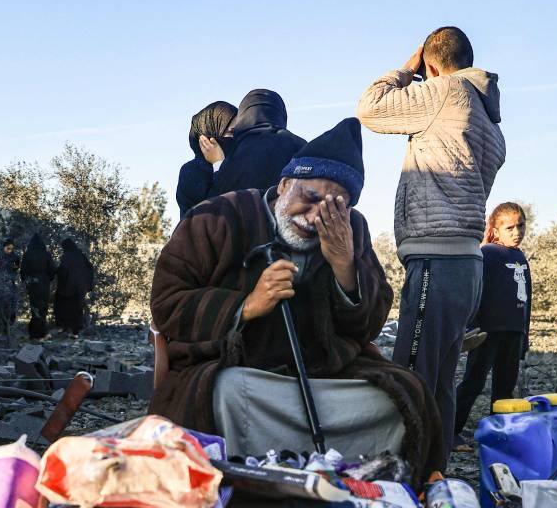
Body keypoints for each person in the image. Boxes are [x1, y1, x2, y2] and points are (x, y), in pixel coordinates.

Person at [148, 118, 443, 484]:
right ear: (286, 184)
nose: (316, 216)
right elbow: (167, 301)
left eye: (336, 207)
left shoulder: (353, 232)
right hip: (244, 377)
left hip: (324, 375)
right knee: (225, 396)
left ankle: (353, 481)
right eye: (311, 198)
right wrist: (247, 305)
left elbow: (368, 324)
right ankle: (249, 485)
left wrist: (344, 267)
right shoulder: (218, 216)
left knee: (404, 399)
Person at [356, 26, 506, 462]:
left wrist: (406, 70)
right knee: (438, 379)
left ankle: (406, 475)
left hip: (437, 261)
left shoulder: (445, 92)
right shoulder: (490, 121)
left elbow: (370, 109)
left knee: (409, 375)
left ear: (433, 64)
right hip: (468, 262)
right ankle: (434, 472)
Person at [453, 202, 531, 449]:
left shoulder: (520, 257)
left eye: (520, 226)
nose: (516, 232)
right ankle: (450, 432)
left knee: (505, 387)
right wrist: (471, 326)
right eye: (509, 227)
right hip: (488, 331)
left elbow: (526, 298)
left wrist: (524, 335)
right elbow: (474, 290)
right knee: (473, 382)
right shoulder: (488, 253)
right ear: (496, 230)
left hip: (513, 331)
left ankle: (500, 435)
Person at [209, 89, 306, 196]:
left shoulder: (233, 152)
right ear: (280, 114)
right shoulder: (301, 146)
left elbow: (216, 197)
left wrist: (217, 164)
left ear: (243, 116)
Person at [177, 101, 237, 217]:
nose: (236, 139)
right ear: (208, 138)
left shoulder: (239, 165)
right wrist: (218, 164)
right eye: (231, 132)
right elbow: (213, 215)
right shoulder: (192, 171)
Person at [54, 238, 95, 337]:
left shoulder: (67, 256)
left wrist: (59, 280)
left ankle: (65, 327)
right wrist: (88, 284)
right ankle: (76, 329)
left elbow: (63, 270)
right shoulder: (81, 255)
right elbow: (90, 268)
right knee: (77, 307)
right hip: (81, 287)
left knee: (63, 306)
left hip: (69, 287)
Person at [19, 233, 57, 340]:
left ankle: (34, 332)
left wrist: (27, 283)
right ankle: (41, 332)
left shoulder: (27, 254)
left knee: (34, 307)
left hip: (32, 284)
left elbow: (23, 271)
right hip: (44, 283)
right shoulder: (46, 254)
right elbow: (53, 270)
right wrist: (48, 279)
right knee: (43, 307)